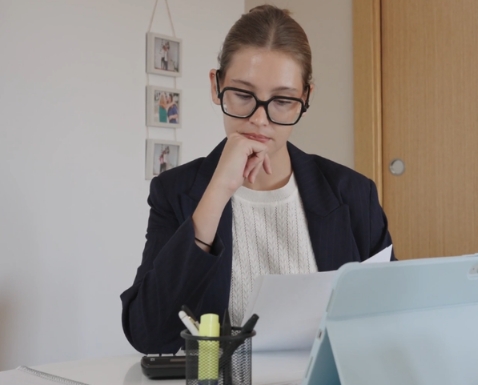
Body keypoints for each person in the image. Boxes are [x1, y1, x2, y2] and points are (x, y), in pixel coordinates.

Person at [121, 5, 394, 354]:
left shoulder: (353, 194)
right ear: (216, 85)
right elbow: (148, 333)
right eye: (243, 95)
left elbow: (388, 319)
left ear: (305, 98)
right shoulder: (175, 192)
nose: (260, 119)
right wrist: (218, 192)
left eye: (282, 100)